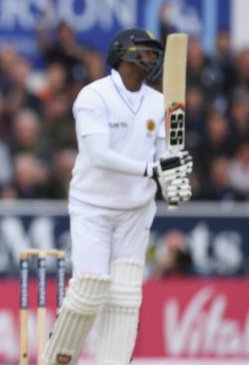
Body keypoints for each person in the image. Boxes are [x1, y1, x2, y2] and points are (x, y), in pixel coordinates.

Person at [41, 28, 193, 365]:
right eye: (148, 52)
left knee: (125, 298)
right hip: (93, 205)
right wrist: (151, 170)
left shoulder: (158, 103)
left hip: (136, 211)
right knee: (90, 287)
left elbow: (163, 157)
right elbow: (99, 155)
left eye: (157, 54)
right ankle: (56, 359)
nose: (154, 60)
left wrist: (173, 179)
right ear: (124, 54)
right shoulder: (94, 96)